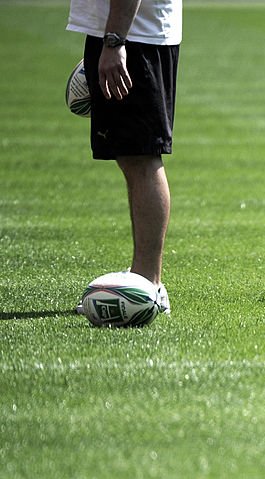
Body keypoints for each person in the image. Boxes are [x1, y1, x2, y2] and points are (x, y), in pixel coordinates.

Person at [68, 0, 182, 313]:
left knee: (142, 156)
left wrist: (114, 40)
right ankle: (146, 279)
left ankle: (149, 285)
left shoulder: (125, 38)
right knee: (131, 156)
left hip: (134, 37)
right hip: (127, 34)